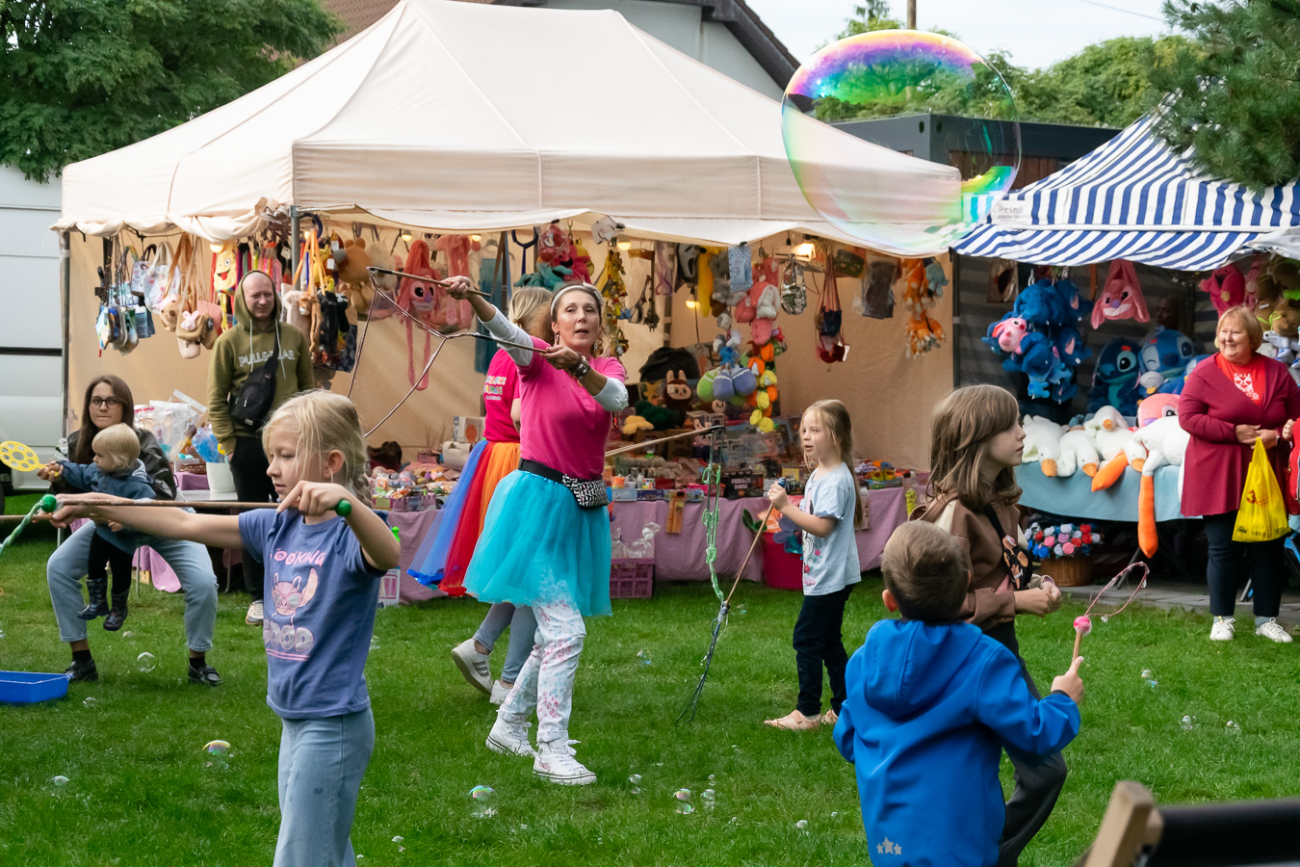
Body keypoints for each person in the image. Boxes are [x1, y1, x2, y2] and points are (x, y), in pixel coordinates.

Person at [52, 391, 399, 867]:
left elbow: (388, 553)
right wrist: (96, 502)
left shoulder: (348, 535)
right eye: (272, 455)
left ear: (331, 461)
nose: (271, 468)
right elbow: (179, 522)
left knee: (300, 854)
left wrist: (346, 503)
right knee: (324, 845)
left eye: (285, 455)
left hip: (333, 722)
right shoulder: (276, 525)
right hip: (294, 717)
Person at [446, 277, 627, 786]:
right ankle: (549, 748)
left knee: (554, 633)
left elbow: (615, 398)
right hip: (537, 505)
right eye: (569, 309)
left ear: (599, 322)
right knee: (567, 631)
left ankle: (509, 725)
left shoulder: (607, 368)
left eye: (589, 310)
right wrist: (474, 298)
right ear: (554, 322)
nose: (580, 317)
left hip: (580, 509)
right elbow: (504, 331)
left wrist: (583, 371)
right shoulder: (535, 358)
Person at [834, 521, 1083, 867]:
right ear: (966, 583)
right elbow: (1036, 735)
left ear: (889, 600)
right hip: (964, 848)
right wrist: (1062, 699)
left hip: (890, 846)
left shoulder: (862, 663)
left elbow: (847, 740)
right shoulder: (984, 660)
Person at [915, 383, 1066, 867]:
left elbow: (1011, 566)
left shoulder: (1002, 502)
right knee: (968, 775)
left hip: (1000, 652)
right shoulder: (950, 516)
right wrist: (1015, 603)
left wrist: (1038, 583)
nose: (1023, 433)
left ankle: (990, 855)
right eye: (1011, 425)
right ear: (977, 437)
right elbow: (938, 605)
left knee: (1045, 769)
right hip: (959, 659)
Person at [407, 288, 553, 704]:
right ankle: (508, 681)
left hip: (492, 456)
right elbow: (521, 414)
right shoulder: (527, 355)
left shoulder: (501, 354)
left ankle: (482, 647)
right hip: (519, 459)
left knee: (519, 569)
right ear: (536, 317)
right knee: (530, 576)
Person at [39, 375, 221, 686]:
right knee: (58, 567)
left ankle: (198, 662)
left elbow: (162, 493)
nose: (103, 406)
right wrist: (55, 483)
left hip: (164, 520)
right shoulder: (78, 442)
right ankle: (81, 660)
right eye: (97, 400)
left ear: (125, 406)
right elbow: (73, 488)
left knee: (203, 582)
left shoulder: (143, 441)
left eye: (111, 400)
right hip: (110, 529)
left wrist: (124, 513)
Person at [1179, 306, 1300, 643]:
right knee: (1222, 547)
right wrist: (1233, 432)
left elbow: (1297, 416)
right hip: (1219, 472)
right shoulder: (1204, 373)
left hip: (1267, 472)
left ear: (1254, 338)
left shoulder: (1278, 373)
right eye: (1223, 331)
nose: (1227, 338)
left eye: (1235, 332)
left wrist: (1277, 434)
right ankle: (1222, 618)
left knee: (1269, 548)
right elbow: (1187, 418)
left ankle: (1267, 620)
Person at [208, 270, 315, 627]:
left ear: (275, 295)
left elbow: (308, 390)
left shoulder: (295, 338)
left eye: (267, 294)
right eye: (255, 295)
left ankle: (297, 590)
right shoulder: (229, 342)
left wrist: (309, 434)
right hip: (248, 444)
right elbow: (215, 399)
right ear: (243, 298)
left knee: (297, 513)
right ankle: (257, 597)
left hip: (292, 444)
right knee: (253, 518)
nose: (262, 301)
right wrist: (230, 443)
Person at [762, 400, 863, 730]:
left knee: (806, 638)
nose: (806, 436)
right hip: (827, 572)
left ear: (836, 436)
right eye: (804, 430)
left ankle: (807, 712)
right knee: (828, 640)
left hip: (831, 576)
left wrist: (784, 507)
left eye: (815, 430)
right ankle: (844, 706)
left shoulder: (835, 479)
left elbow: (823, 526)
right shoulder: (821, 473)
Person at [52, 423, 157, 630]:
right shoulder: (98, 471)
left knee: (120, 573)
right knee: (94, 563)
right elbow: (81, 473)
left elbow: (148, 513)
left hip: (123, 540)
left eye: (99, 455)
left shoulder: (138, 485)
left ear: (119, 460)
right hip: (101, 531)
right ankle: (97, 602)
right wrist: (62, 468)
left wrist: (126, 522)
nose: (94, 459)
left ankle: (118, 610)